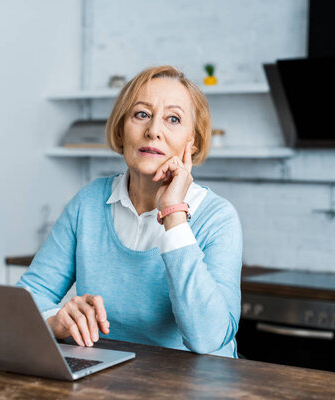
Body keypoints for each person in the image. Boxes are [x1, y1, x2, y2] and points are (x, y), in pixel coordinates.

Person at [17, 65, 242, 358]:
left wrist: (174, 214)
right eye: (141, 114)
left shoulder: (218, 218)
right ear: (122, 130)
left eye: (173, 119)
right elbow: (29, 295)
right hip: (109, 380)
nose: (153, 131)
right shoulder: (88, 203)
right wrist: (54, 320)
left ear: (193, 141)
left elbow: (208, 339)